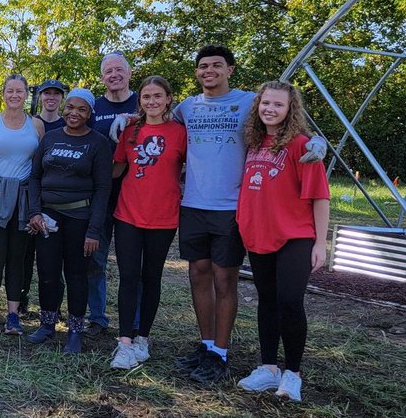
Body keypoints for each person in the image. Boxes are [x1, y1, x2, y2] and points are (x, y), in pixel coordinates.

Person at [110, 45, 325, 384]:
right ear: (196, 72)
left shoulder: (248, 102)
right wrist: (127, 118)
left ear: (230, 69)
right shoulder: (187, 107)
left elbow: (283, 118)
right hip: (194, 204)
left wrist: (315, 140)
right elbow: (155, 118)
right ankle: (207, 345)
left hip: (230, 207)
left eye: (216, 65)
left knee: (224, 279)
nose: (208, 71)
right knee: (198, 275)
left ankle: (221, 352)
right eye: (203, 66)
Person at [235, 81, 330, 402]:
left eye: (278, 104)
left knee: (289, 301)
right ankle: (268, 368)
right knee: (267, 301)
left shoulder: (303, 147)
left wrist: (320, 243)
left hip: (295, 236)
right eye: (266, 103)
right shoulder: (253, 143)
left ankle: (293, 373)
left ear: (291, 110)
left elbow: (320, 197)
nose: (270, 109)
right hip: (259, 235)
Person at [108, 76, 186, 370]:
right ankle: (125, 343)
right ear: (139, 101)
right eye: (146, 97)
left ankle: (143, 338)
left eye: (157, 96)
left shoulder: (180, 133)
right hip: (128, 214)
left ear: (168, 99)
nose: (152, 101)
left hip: (163, 217)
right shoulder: (130, 130)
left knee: (152, 277)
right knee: (128, 276)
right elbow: (116, 170)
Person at [27, 88, 112, 352]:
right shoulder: (50, 138)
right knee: (48, 272)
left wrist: (94, 231)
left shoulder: (98, 143)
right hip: (47, 217)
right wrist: (34, 212)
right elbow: (35, 177)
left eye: (82, 109)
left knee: (76, 275)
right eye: (71, 107)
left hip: (80, 218)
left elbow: (103, 189)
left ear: (90, 113)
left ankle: (75, 331)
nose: (74, 113)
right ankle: (47, 325)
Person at [0, 75, 43, 336]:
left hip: (22, 197)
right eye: (10, 91)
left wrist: (36, 203)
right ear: (3, 93)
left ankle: (13, 314)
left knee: (18, 255)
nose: (14, 95)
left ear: (26, 94)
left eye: (19, 91)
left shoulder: (36, 125)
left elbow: (38, 166)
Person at [85, 53, 139, 337]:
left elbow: (169, 120)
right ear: (102, 77)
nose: (114, 75)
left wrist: (132, 117)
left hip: (136, 195)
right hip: (100, 195)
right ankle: (97, 317)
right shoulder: (95, 107)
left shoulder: (144, 101)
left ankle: (135, 323)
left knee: (133, 264)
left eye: (119, 69)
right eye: (108, 71)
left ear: (129, 73)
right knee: (95, 258)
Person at [19, 78, 68, 314]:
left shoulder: (68, 124)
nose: (51, 97)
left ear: (62, 98)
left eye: (56, 94)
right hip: (31, 193)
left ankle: (53, 307)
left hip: (56, 198)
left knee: (54, 257)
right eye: (47, 93)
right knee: (25, 253)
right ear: (39, 96)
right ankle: (21, 300)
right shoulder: (29, 123)